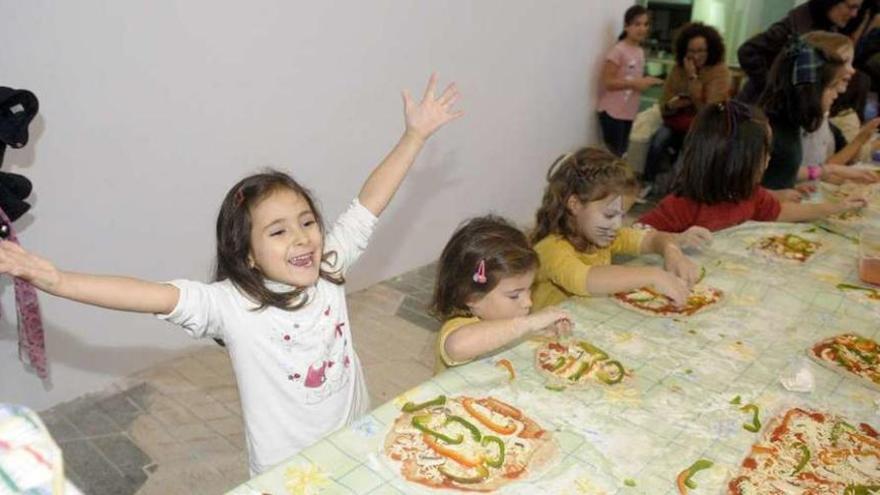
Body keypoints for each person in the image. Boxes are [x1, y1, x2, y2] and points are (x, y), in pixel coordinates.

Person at [0, 74, 463, 475]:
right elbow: (149, 295)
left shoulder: (329, 269)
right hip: (286, 470)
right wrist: (56, 279)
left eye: (307, 222)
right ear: (248, 256)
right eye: (278, 231)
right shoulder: (229, 306)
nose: (302, 238)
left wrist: (415, 137)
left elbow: (369, 203)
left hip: (354, 434)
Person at [639, 101, 867, 233]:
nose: (769, 159)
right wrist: (667, 244)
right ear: (741, 161)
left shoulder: (750, 194)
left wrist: (834, 208)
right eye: (765, 152)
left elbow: (781, 212)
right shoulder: (682, 206)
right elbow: (635, 237)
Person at [530, 147, 707, 311]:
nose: (618, 225)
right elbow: (586, 279)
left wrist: (672, 251)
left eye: (622, 216)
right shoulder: (551, 248)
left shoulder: (606, 236)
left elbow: (652, 239)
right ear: (575, 205)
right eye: (609, 215)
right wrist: (653, 275)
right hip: (543, 338)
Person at [431, 216, 570, 374]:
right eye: (514, 296)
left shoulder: (506, 316)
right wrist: (529, 323)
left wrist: (544, 328)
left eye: (530, 288)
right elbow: (457, 346)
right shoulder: (459, 327)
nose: (528, 302)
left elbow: (514, 332)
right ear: (472, 298)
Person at [759, 31, 878, 199]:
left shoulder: (789, 121)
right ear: (810, 90)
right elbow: (749, 195)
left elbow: (783, 170)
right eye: (831, 87)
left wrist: (829, 170)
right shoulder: (771, 128)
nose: (836, 94)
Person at [738, 0, 868, 120]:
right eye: (851, 7)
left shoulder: (828, 29)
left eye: (857, 8)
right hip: (761, 112)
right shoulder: (792, 27)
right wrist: (773, 87)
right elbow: (747, 51)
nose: (854, 14)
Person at [642, 22, 731, 197]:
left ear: (710, 49)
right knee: (658, 141)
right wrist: (671, 105)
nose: (696, 56)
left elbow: (709, 111)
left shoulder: (719, 71)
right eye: (691, 51)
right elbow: (663, 105)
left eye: (701, 51)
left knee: (688, 153)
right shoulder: (677, 69)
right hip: (676, 122)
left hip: (704, 127)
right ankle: (649, 183)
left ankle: (678, 193)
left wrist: (692, 78)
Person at [597, 5, 663, 157]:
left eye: (646, 24)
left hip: (628, 113)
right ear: (626, 26)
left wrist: (646, 81)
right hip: (613, 113)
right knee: (613, 158)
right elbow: (607, 82)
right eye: (637, 24)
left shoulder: (639, 51)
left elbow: (634, 79)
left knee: (622, 155)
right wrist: (635, 83)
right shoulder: (618, 50)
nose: (642, 29)